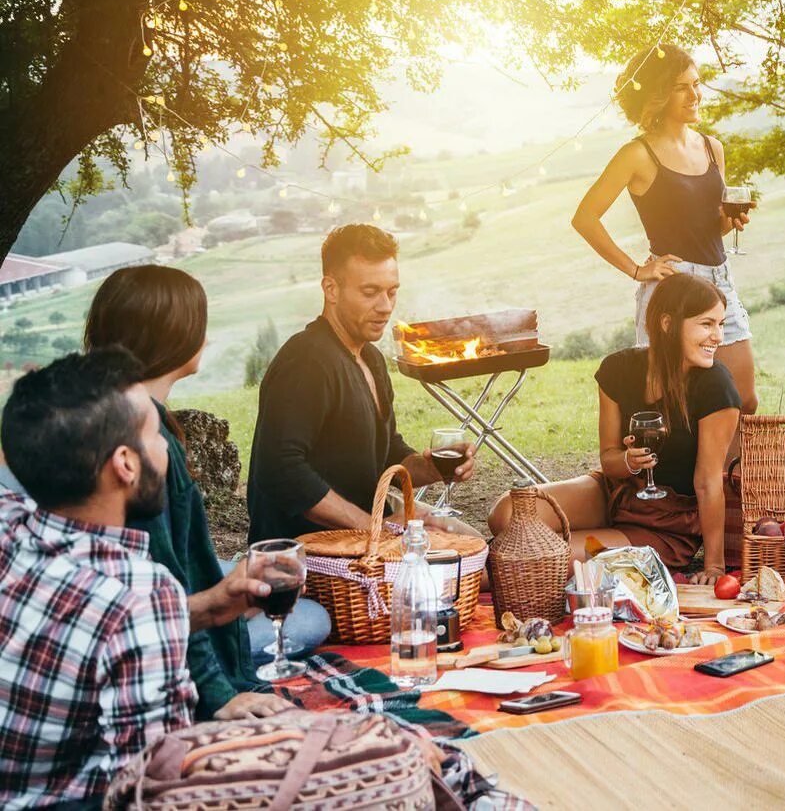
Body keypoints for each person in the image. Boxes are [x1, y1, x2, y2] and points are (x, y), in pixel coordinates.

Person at [0, 350, 270, 808]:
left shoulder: (9, 521)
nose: (168, 446)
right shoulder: (141, 596)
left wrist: (205, 608)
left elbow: (92, 633)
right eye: (154, 433)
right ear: (125, 464)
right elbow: (151, 788)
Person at [85, 265, 313, 700]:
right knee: (313, 618)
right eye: (200, 325)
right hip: (169, 624)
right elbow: (164, 579)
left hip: (162, 603)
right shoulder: (148, 446)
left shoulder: (112, 410)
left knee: (261, 582)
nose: (206, 338)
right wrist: (218, 691)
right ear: (173, 334)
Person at [487, 274, 741, 583]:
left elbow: (708, 481)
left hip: (664, 524)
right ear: (667, 323)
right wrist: (627, 462)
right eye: (706, 324)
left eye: (720, 324)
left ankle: (460, 573)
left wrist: (714, 566)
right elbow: (608, 458)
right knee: (505, 514)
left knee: (538, 560)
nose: (718, 336)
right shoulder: (617, 371)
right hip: (615, 494)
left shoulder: (716, 385)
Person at [246, 224, 476, 545]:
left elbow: (385, 453)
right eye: (370, 293)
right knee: (474, 566)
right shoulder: (307, 360)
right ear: (331, 289)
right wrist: (375, 528)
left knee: (477, 544)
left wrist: (434, 467)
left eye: (392, 291)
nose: (385, 306)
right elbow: (280, 471)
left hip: (366, 526)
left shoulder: (371, 358)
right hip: (308, 546)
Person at [572, 43, 758, 415]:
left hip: (719, 280)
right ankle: (683, 474)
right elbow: (585, 217)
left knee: (742, 399)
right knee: (673, 402)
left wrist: (731, 220)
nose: (695, 94)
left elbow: (709, 228)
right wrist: (637, 270)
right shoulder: (637, 154)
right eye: (681, 87)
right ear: (658, 95)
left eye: (697, 83)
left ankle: (726, 474)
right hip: (672, 287)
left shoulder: (712, 147)